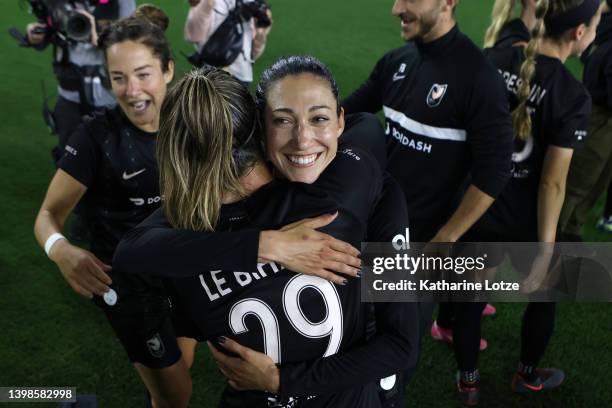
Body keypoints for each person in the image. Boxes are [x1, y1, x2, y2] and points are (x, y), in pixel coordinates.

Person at [113, 58, 419, 407]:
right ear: (260, 130)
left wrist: (258, 247)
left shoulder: (177, 240)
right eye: (285, 120)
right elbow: (367, 129)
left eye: (317, 118)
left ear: (172, 153)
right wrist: (270, 245)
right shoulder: (346, 191)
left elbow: (129, 252)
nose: (303, 139)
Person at [341, 0, 514, 386]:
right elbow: (346, 113)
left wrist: (445, 238)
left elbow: (495, 170)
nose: (395, 8)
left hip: (419, 250)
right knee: (347, 341)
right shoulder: (397, 61)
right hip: (371, 231)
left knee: (388, 369)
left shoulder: (478, 78)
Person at [449, 0, 600, 404]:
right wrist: (546, 249)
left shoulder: (493, 56)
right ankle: (526, 375)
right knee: (544, 296)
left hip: (475, 207)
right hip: (525, 220)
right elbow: (552, 183)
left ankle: (468, 383)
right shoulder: (572, 94)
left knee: (469, 299)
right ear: (579, 33)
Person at [24, 0, 136, 162]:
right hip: (69, 93)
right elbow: (51, 24)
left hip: (109, 96)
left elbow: (130, 43)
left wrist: (100, 39)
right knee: (69, 154)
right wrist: (37, 34)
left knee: (111, 158)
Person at [558, 0, 612, 241]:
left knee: (588, 190)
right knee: (576, 190)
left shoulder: (602, 26)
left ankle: (567, 239)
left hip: (599, 118)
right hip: (598, 121)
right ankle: (554, 246)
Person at [184, 0, 272, 85]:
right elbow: (195, 36)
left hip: (241, 76)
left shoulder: (252, 2)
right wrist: (207, 4)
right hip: (212, 73)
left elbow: (254, 52)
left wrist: (262, 32)